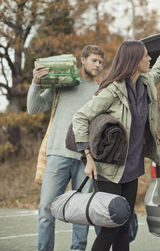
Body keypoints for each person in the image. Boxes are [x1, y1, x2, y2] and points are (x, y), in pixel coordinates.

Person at [72, 27, 160, 251]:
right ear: (134, 60)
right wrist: (87, 157)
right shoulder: (112, 90)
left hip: (131, 169)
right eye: (146, 55)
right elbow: (80, 117)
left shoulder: (146, 83)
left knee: (124, 224)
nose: (149, 58)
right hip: (107, 170)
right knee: (111, 226)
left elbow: (158, 71)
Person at [27, 45, 105, 251]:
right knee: (46, 211)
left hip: (85, 159)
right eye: (94, 60)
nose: (98, 65)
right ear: (83, 59)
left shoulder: (99, 91)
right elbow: (33, 109)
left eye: (100, 62)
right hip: (57, 155)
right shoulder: (62, 83)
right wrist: (35, 83)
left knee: (80, 215)